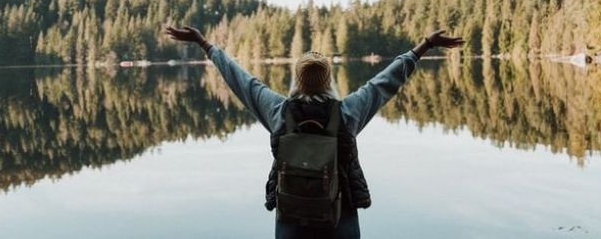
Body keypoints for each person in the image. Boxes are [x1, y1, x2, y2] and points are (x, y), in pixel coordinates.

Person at [165, 25, 464, 239]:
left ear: (296, 80)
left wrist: (205, 44)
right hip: (340, 216)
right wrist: (425, 45)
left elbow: (240, 80)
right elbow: (387, 81)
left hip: (291, 216)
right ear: (328, 81)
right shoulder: (347, 112)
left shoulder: (279, 112)